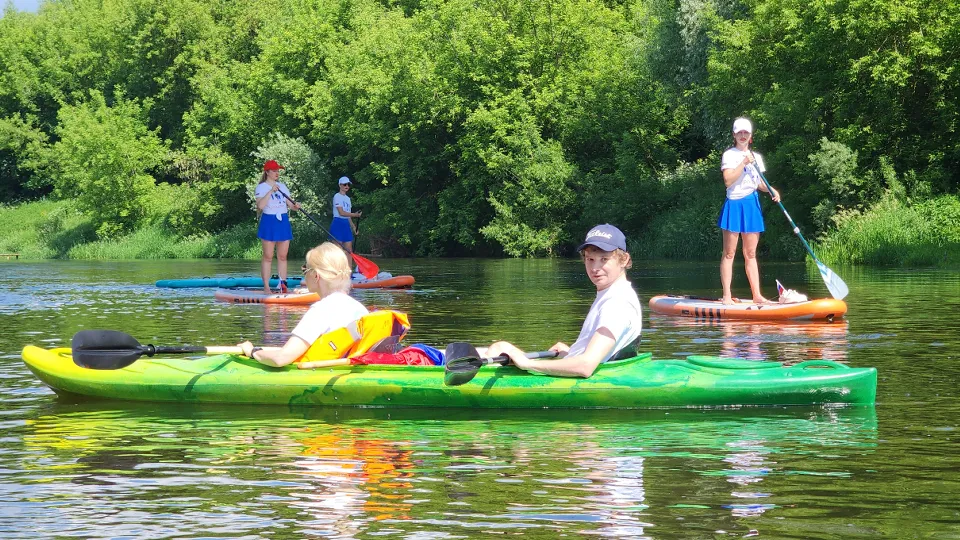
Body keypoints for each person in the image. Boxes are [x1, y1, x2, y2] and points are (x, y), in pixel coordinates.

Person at [485, 224, 643, 378]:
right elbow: (596, 354)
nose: (595, 267)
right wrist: (570, 354)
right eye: (590, 259)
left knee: (496, 350)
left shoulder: (617, 303)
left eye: (604, 259)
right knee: (500, 347)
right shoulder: (614, 294)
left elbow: (586, 366)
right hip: (582, 365)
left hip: (584, 375)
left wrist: (529, 365)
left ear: (624, 260)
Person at [239, 242, 369, 367]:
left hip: (324, 376)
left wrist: (253, 351)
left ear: (316, 276)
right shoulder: (360, 309)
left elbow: (281, 359)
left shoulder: (321, 310)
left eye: (305, 269)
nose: (304, 274)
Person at [718, 117, 781, 305]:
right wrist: (744, 162)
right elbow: (728, 180)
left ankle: (757, 295)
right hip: (735, 204)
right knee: (729, 253)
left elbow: (759, 182)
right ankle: (727, 296)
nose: (743, 135)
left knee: (751, 253)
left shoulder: (757, 157)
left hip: (751, 204)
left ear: (751, 136)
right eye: (739, 133)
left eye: (746, 133)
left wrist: (772, 190)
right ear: (734, 135)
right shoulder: (729, 155)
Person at [255, 160, 299, 294]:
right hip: (269, 220)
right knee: (268, 256)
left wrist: (295, 206)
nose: (277, 173)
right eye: (274, 171)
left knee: (283, 256)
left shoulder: (282, 186)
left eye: (278, 171)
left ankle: (283, 286)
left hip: (283, 220)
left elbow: (290, 205)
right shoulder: (261, 187)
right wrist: (270, 191)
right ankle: (267, 287)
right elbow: (260, 206)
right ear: (267, 172)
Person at [330, 176, 363, 254]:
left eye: (348, 184)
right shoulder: (337, 196)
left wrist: (354, 227)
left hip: (346, 224)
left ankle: (348, 266)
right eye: (344, 184)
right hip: (338, 223)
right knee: (338, 251)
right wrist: (355, 215)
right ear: (340, 185)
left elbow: (348, 216)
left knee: (349, 251)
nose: (347, 186)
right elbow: (341, 212)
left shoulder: (348, 199)